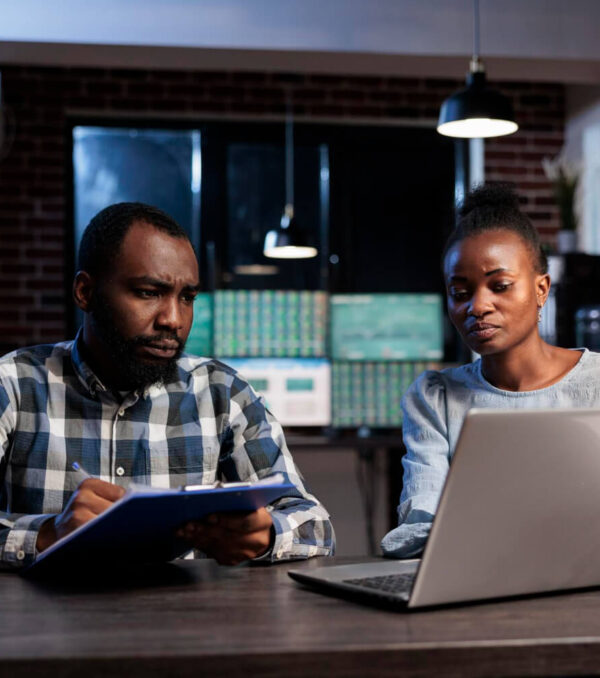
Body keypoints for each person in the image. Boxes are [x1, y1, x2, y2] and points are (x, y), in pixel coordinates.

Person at [0, 202, 334, 570]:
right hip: (46, 625)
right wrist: (48, 534)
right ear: (85, 292)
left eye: (187, 298)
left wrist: (266, 534)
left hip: (181, 623)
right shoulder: (14, 385)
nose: (173, 320)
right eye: (148, 292)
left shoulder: (222, 393)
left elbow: (314, 525)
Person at [381, 183, 600, 558]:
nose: (478, 306)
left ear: (541, 289)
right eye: (460, 292)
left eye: (499, 286)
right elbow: (420, 525)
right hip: (474, 588)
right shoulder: (436, 397)